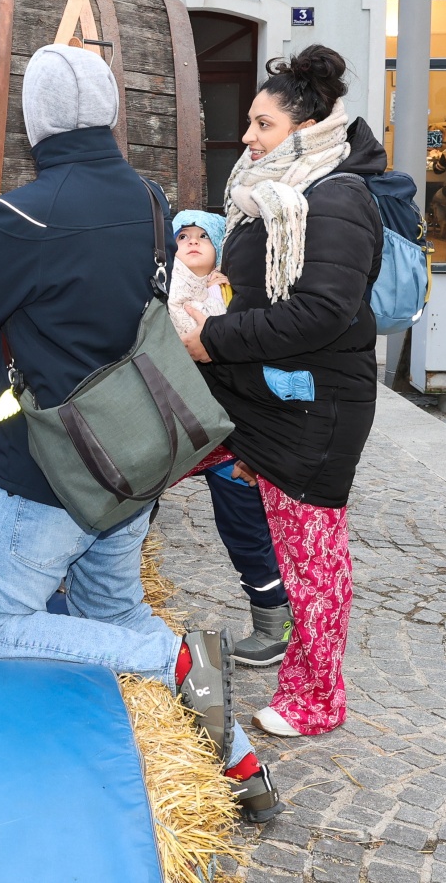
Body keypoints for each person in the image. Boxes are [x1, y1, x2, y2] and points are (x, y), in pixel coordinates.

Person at [0, 44, 281, 824]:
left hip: (49, 476)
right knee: (113, 617)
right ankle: (239, 764)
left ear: (35, 120)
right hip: (131, 461)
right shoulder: (149, 200)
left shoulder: (19, 218)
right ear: (108, 112)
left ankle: (174, 659)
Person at [178, 45, 384, 739]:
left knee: (312, 558)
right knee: (138, 462)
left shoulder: (337, 197)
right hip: (253, 393)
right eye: (250, 123)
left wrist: (213, 338)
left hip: (314, 410)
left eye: (263, 125)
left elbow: (322, 311)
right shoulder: (270, 189)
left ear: (306, 128)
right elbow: (264, 289)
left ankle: (316, 699)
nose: (247, 137)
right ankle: (103, 609)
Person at [168, 208, 295, 670]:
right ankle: (109, 597)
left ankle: (273, 622)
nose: (192, 242)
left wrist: (258, 445)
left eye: (203, 236)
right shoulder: (160, 293)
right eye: (182, 236)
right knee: (133, 507)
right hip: (173, 428)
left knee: (244, 529)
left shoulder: (236, 296)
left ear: (221, 246)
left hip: (230, 437)